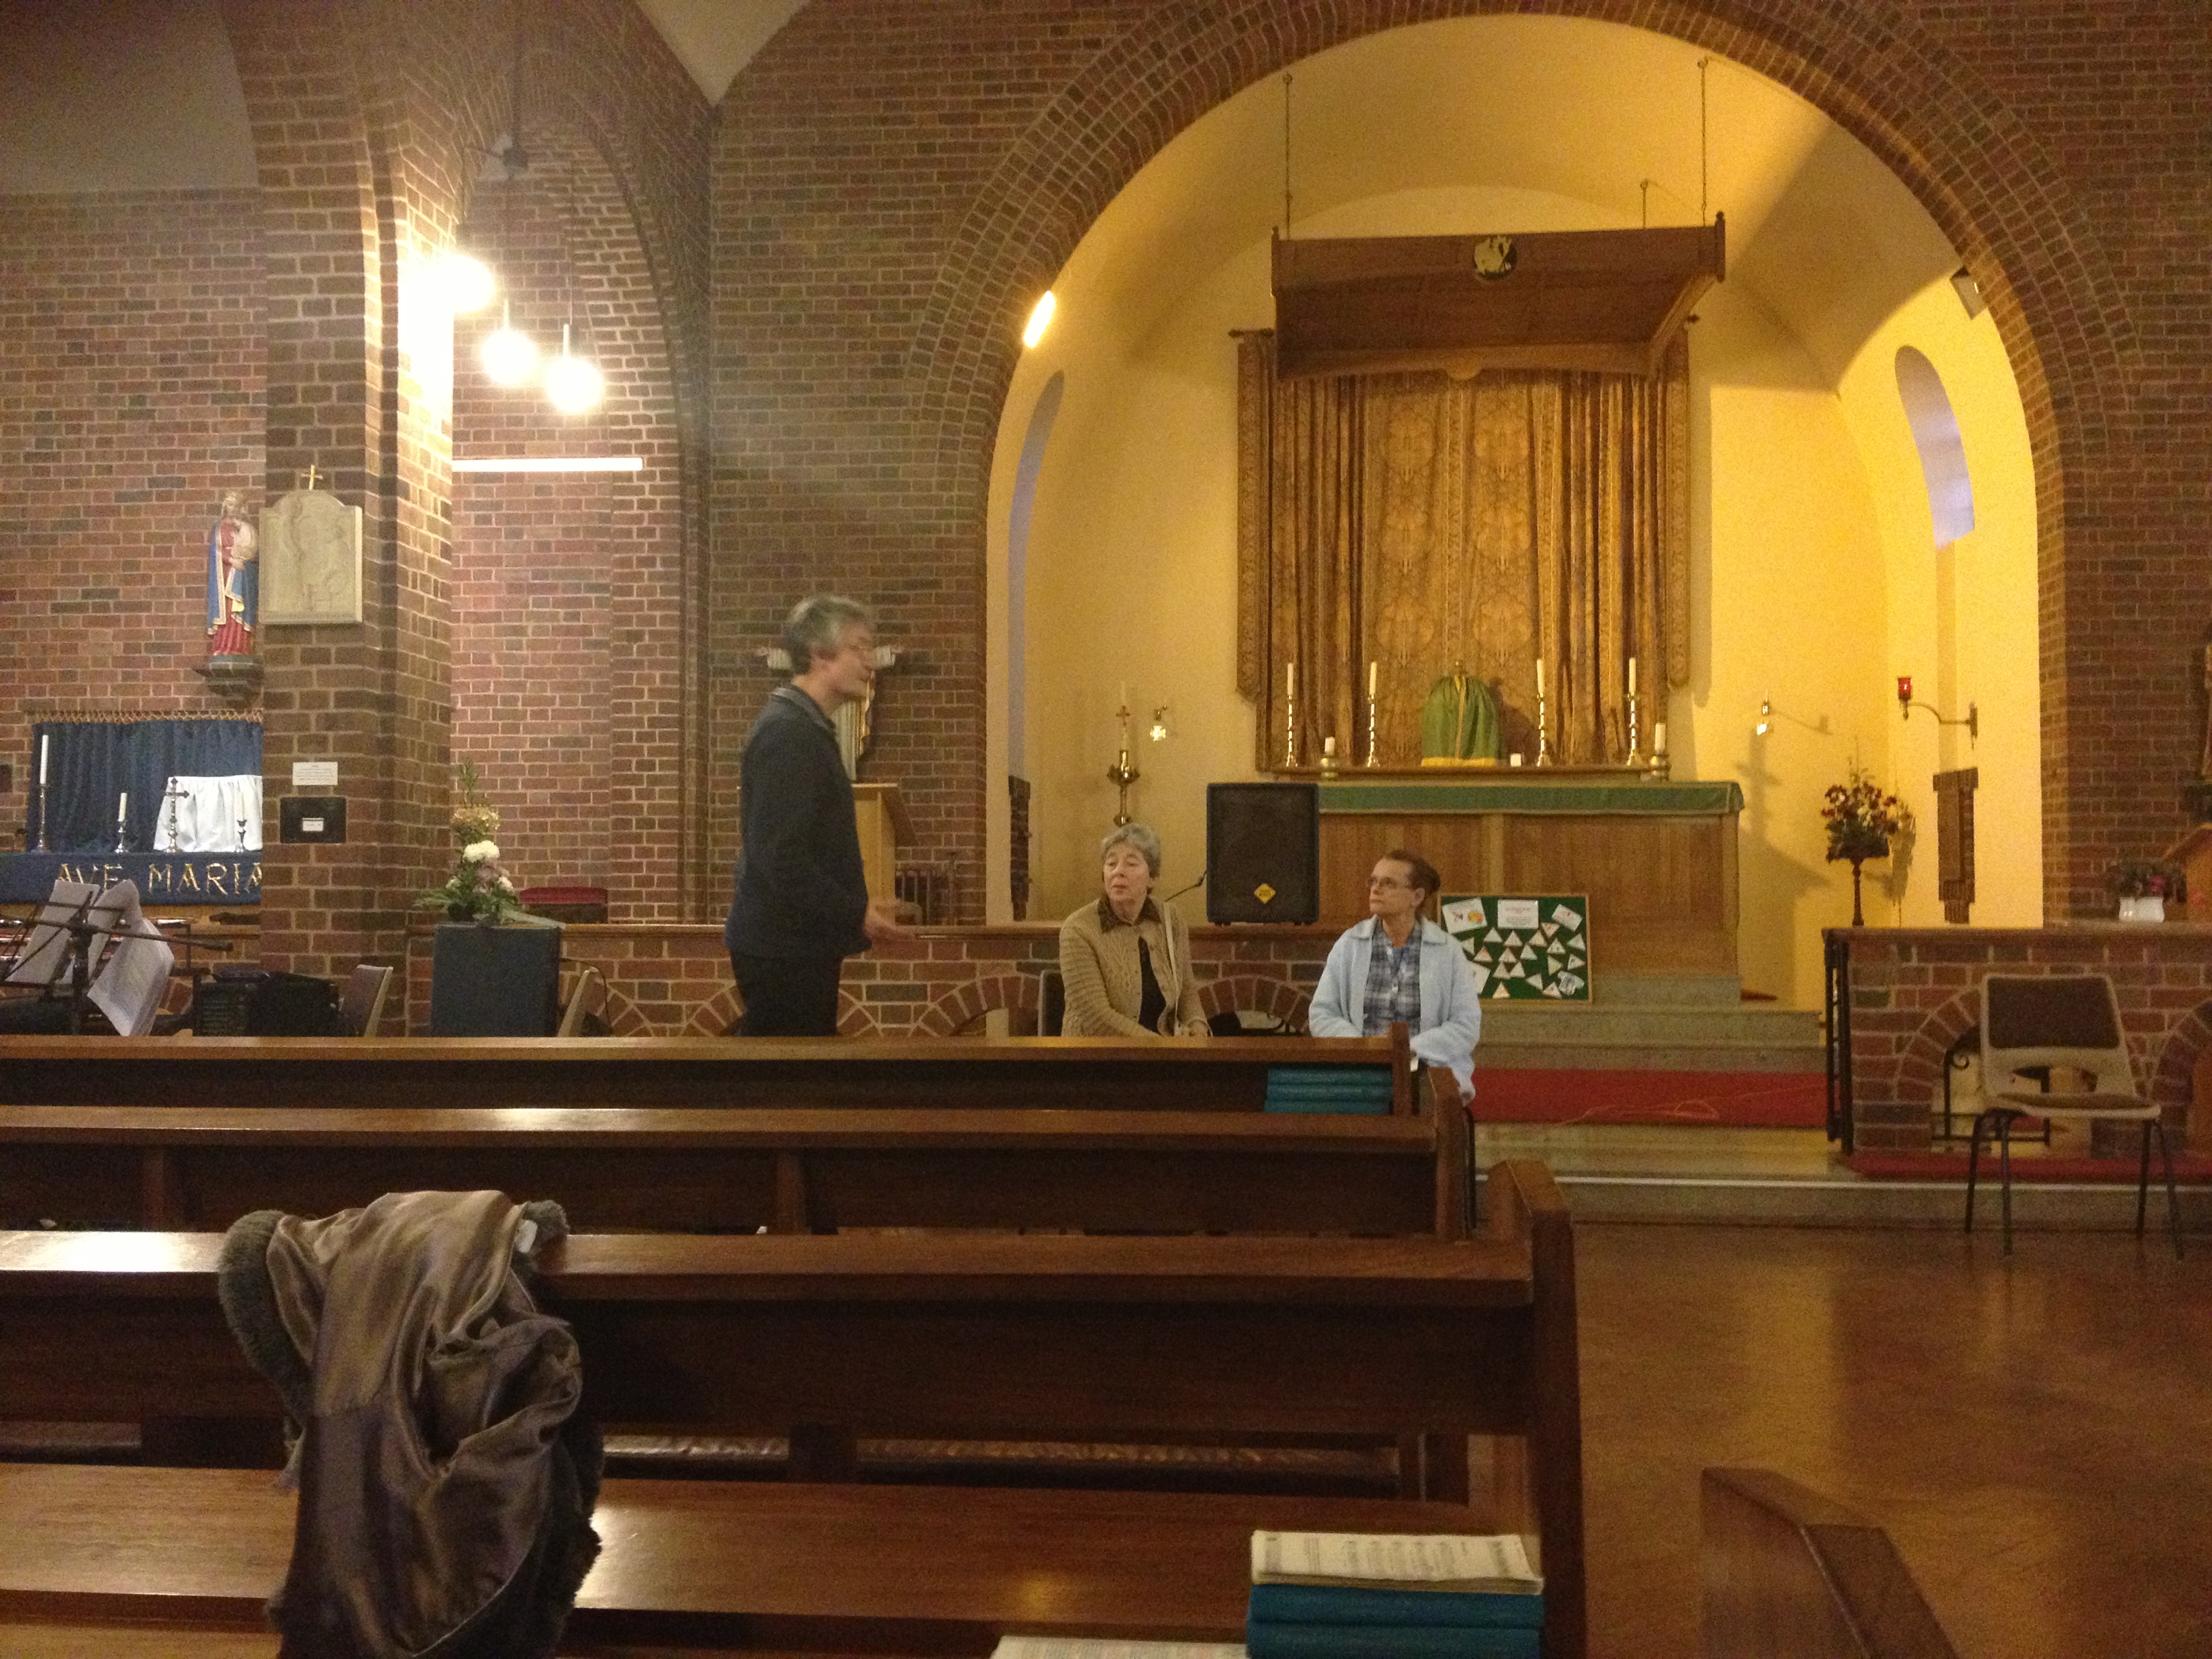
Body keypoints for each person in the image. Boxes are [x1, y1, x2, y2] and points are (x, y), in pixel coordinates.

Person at [724, 594, 905, 1035]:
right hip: (783, 947)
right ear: (820, 654)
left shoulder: (804, 728)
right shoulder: (788, 734)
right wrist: (855, 911)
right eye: (859, 648)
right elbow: (781, 858)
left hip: (795, 942)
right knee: (788, 1071)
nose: (871, 662)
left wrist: (856, 907)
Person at [1307, 848, 1483, 1095]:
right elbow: (1322, 1014)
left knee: (1432, 1099)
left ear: (1417, 897)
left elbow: (1465, 1025)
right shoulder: (1349, 945)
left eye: (1388, 883)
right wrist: (1365, 1048)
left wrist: (1408, 1049)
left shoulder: (1448, 951)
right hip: (1360, 1069)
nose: (1376, 889)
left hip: (1426, 1070)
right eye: (1373, 881)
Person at [1058, 823, 1208, 1038]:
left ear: (1152, 877)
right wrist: (1163, 1048)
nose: (1118, 872)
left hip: (1163, 1050)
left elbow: (1187, 991)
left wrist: (1198, 1028)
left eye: (1131, 864)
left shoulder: (1171, 919)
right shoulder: (1078, 929)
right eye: (1111, 863)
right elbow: (1097, 1018)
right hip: (1095, 1052)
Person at [205, 490, 258, 659]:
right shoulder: (219, 527)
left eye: (236, 505)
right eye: (230, 505)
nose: (233, 508)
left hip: (243, 573)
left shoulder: (246, 526)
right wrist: (231, 560)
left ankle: (240, 646)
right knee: (228, 609)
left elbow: (252, 550)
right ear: (225, 506)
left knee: (240, 607)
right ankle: (224, 645)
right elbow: (216, 551)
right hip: (226, 574)